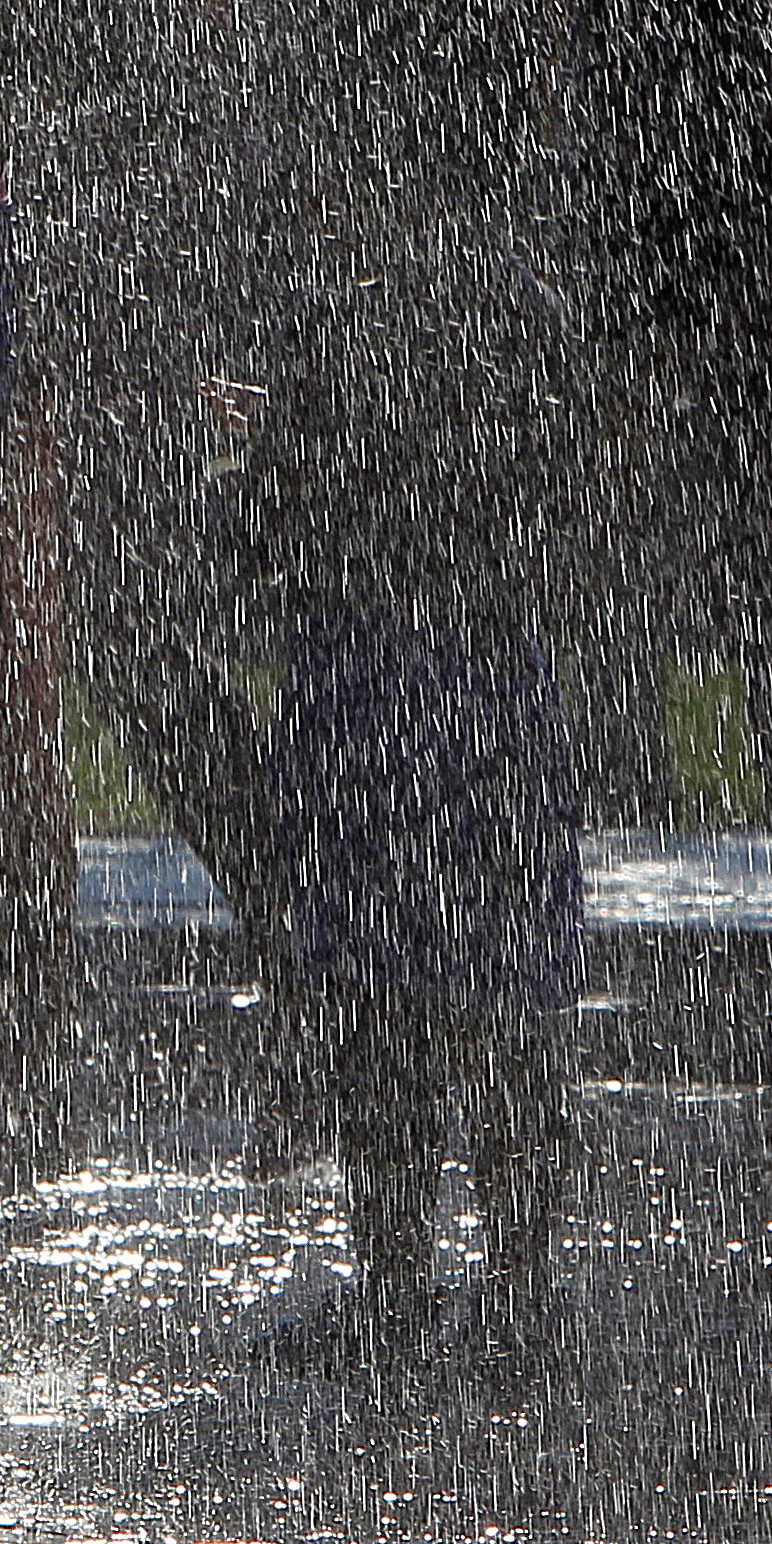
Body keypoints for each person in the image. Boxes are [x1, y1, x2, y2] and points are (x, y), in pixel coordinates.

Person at [225, 301, 584, 1368]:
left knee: (383, 1012)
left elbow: (257, 537)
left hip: (365, 693)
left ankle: (392, 1283)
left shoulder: (338, 330)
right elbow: (556, 494)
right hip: (495, 690)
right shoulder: (500, 321)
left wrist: (249, 472)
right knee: (511, 996)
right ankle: (518, 1280)